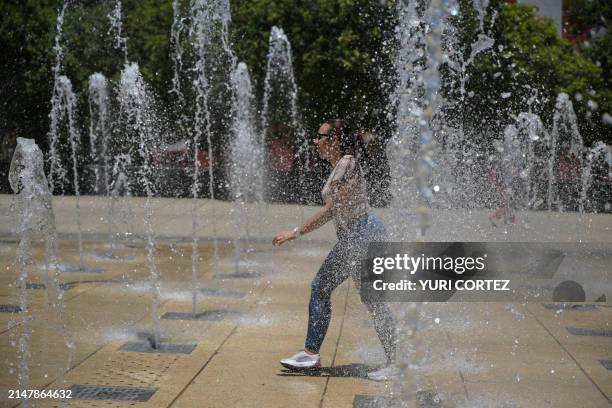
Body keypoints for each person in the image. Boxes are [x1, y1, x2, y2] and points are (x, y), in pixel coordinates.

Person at [272, 119, 397, 381]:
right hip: (360, 235)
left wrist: (294, 233)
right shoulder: (339, 166)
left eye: (321, 137)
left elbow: (330, 209)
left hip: (362, 234)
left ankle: (311, 353)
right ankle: (394, 360)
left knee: (324, 287)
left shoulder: (347, 162)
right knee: (371, 300)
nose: (316, 141)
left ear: (335, 139)